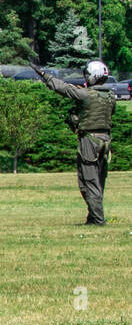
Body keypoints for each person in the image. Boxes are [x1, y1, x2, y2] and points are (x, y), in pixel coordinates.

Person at [33, 60, 116, 225]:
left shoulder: (86, 95)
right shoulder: (110, 97)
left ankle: (98, 220)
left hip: (89, 141)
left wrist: (44, 75)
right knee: (97, 180)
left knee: (89, 181)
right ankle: (93, 217)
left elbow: (62, 88)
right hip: (105, 141)